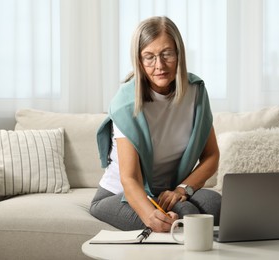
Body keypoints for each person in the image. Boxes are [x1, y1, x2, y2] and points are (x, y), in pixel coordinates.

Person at [91, 16, 221, 233]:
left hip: (169, 190)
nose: (159, 65)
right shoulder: (127, 103)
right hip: (119, 194)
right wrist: (152, 216)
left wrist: (182, 190)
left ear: (179, 54)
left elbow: (211, 156)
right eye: (149, 57)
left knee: (215, 205)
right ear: (139, 61)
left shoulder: (196, 92)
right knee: (186, 217)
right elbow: (129, 178)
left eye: (166, 54)